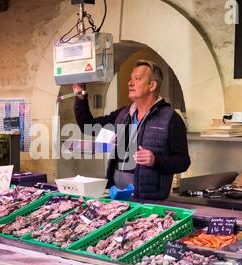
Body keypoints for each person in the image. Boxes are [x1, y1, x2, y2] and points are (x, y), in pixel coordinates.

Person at [73, 59, 190, 200]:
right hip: (115, 195)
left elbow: (183, 161)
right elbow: (89, 127)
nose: (130, 83)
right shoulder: (123, 114)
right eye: (130, 78)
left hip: (148, 200)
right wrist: (80, 96)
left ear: (152, 85)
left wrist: (156, 160)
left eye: (137, 78)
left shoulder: (171, 118)